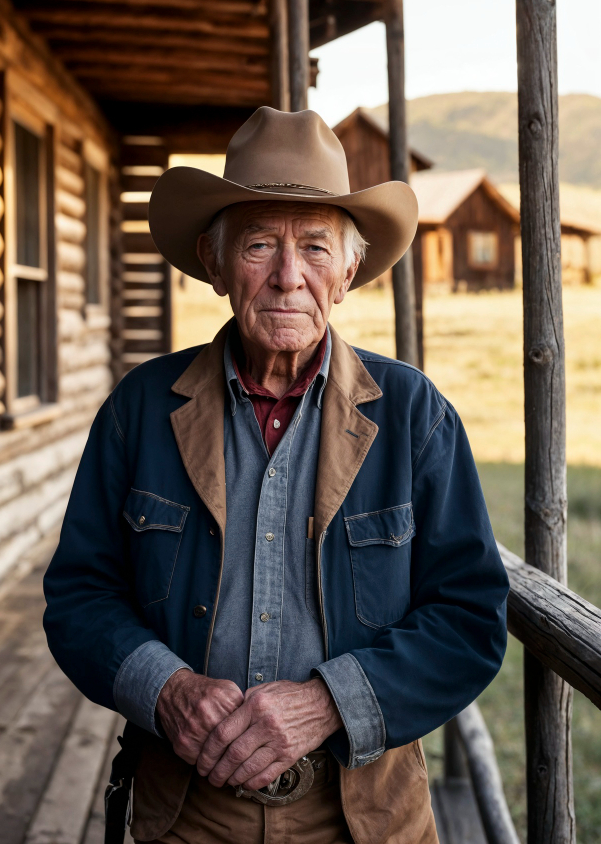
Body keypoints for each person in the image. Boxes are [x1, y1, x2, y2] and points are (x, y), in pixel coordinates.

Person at [44, 107, 508, 844]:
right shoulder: (140, 409)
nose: (290, 277)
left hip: (367, 814)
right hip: (186, 812)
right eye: (260, 244)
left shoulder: (414, 416)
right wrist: (166, 690)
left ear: (349, 271)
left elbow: (470, 619)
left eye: (316, 248)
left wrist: (324, 704)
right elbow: (78, 595)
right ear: (217, 262)